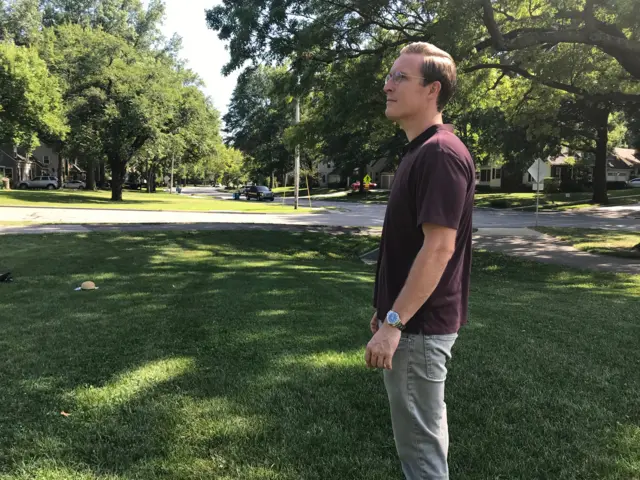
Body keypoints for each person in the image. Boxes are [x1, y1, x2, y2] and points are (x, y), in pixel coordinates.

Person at [364, 42, 475, 480]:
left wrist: (394, 323)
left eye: (400, 78)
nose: (387, 86)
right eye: (390, 77)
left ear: (432, 90)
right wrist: (385, 308)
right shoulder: (419, 151)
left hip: (418, 330)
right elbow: (412, 245)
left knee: (422, 456)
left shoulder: (441, 154)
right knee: (424, 441)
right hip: (412, 326)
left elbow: (438, 249)